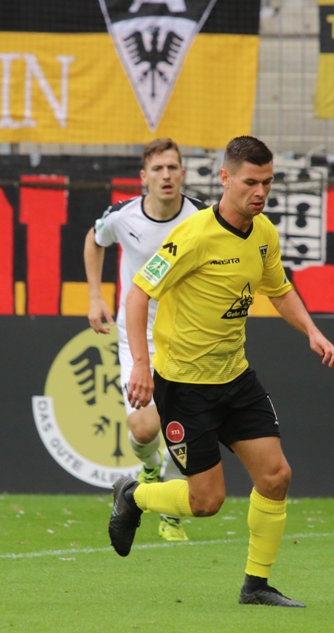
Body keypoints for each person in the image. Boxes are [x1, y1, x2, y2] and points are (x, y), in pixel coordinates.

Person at [108, 135, 334, 607]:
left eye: (267, 182)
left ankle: (256, 586)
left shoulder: (264, 234)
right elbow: (138, 293)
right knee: (206, 502)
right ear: (225, 179)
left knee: (275, 476)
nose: (260, 192)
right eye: (251, 182)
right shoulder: (192, 236)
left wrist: (312, 332)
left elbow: (279, 289)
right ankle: (133, 496)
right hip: (185, 388)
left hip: (235, 379)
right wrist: (142, 365)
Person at [85, 138, 204, 542]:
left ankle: (171, 513)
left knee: (185, 431)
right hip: (137, 338)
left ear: (182, 174)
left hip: (187, 339)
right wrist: (95, 296)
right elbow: (94, 239)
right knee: (143, 429)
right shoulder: (123, 217)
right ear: (144, 177)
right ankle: (150, 469)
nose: (166, 176)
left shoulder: (201, 218)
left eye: (172, 168)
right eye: (158, 169)